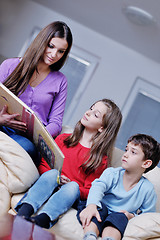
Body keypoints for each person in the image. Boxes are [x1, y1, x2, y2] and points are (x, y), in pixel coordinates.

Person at [14, 98, 122, 229]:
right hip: (50, 183)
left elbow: (91, 191)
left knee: (73, 187)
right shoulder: (64, 139)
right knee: (53, 174)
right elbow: (43, 165)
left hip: (69, 194)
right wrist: (58, 179)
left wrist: (70, 183)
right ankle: (23, 212)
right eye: (91, 108)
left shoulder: (100, 159)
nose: (88, 112)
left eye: (95, 114)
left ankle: (42, 220)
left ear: (102, 127)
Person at [0, 21, 73, 164]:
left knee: (26, 147)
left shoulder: (60, 81)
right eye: (51, 46)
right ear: (42, 42)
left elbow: (56, 123)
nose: (54, 54)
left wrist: (37, 133)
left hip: (26, 139)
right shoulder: (10, 65)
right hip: (2, 124)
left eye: (61, 51)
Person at [78, 134, 160, 240]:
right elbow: (98, 187)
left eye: (133, 152)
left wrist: (132, 216)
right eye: (126, 150)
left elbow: (148, 216)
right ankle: (90, 236)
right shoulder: (112, 173)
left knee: (119, 218)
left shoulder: (147, 189)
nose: (125, 154)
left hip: (118, 216)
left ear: (146, 163)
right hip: (100, 208)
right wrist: (91, 205)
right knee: (99, 209)